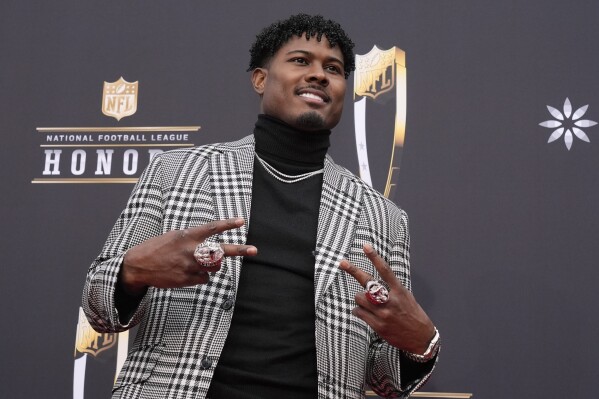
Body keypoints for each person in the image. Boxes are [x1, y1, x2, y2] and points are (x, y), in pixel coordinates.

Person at [82, 13, 439, 399]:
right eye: (301, 60)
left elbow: (382, 380)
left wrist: (420, 346)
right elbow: (98, 309)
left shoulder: (384, 218)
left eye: (333, 69)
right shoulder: (176, 171)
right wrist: (132, 272)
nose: (319, 75)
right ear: (260, 78)